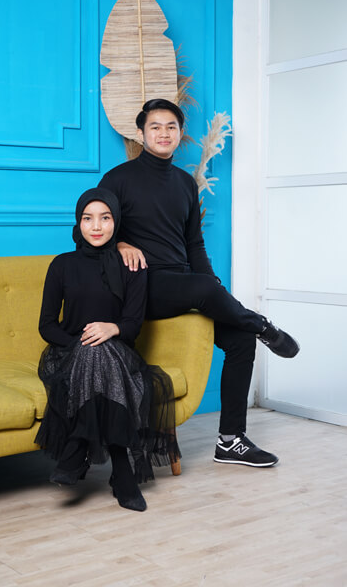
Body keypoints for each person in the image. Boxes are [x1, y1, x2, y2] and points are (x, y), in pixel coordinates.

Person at [99, 98, 300, 468]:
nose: (164, 133)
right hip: (142, 288)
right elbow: (95, 232)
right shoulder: (117, 179)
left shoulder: (184, 184)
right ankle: (263, 326)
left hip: (184, 285)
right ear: (141, 133)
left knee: (240, 339)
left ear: (180, 134)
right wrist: (121, 243)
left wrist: (210, 285)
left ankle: (230, 440)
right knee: (211, 293)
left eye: (171, 127)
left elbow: (194, 244)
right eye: (155, 127)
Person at [36, 187, 180, 512]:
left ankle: (78, 449)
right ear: (78, 222)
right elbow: (47, 326)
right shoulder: (61, 265)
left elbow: (132, 324)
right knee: (93, 351)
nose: (97, 226)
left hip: (120, 354)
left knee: (100, 353)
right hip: (68, 354)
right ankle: (122, 472)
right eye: (88, 219)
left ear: (116, 222)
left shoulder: (132, 264)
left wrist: (111, 329)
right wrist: (82, 344)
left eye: (105, 218)